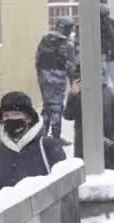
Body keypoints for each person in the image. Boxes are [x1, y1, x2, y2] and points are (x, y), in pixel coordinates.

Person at [0, 92, 66, 194]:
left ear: (29, 118)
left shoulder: (47, 145)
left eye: (16, 114)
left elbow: (65, 188)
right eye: (6, 115)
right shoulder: (0, 149)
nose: (10, 119)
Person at [63, 65, 114, 170]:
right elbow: (68, 116)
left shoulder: (109, 93)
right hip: (85, 149)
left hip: (109, 148)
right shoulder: (78, 95)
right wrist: (72, 95)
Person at [35, 16, 76, 146]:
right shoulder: (67, 44)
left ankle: (42, 135)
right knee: (57, 108)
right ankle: (55, 138)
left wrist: (41, 75)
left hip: (44, 76)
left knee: (47, 107)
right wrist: (73, 82)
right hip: (57, 77)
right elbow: (71, 66)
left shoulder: (45, 39)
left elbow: (37, 58)